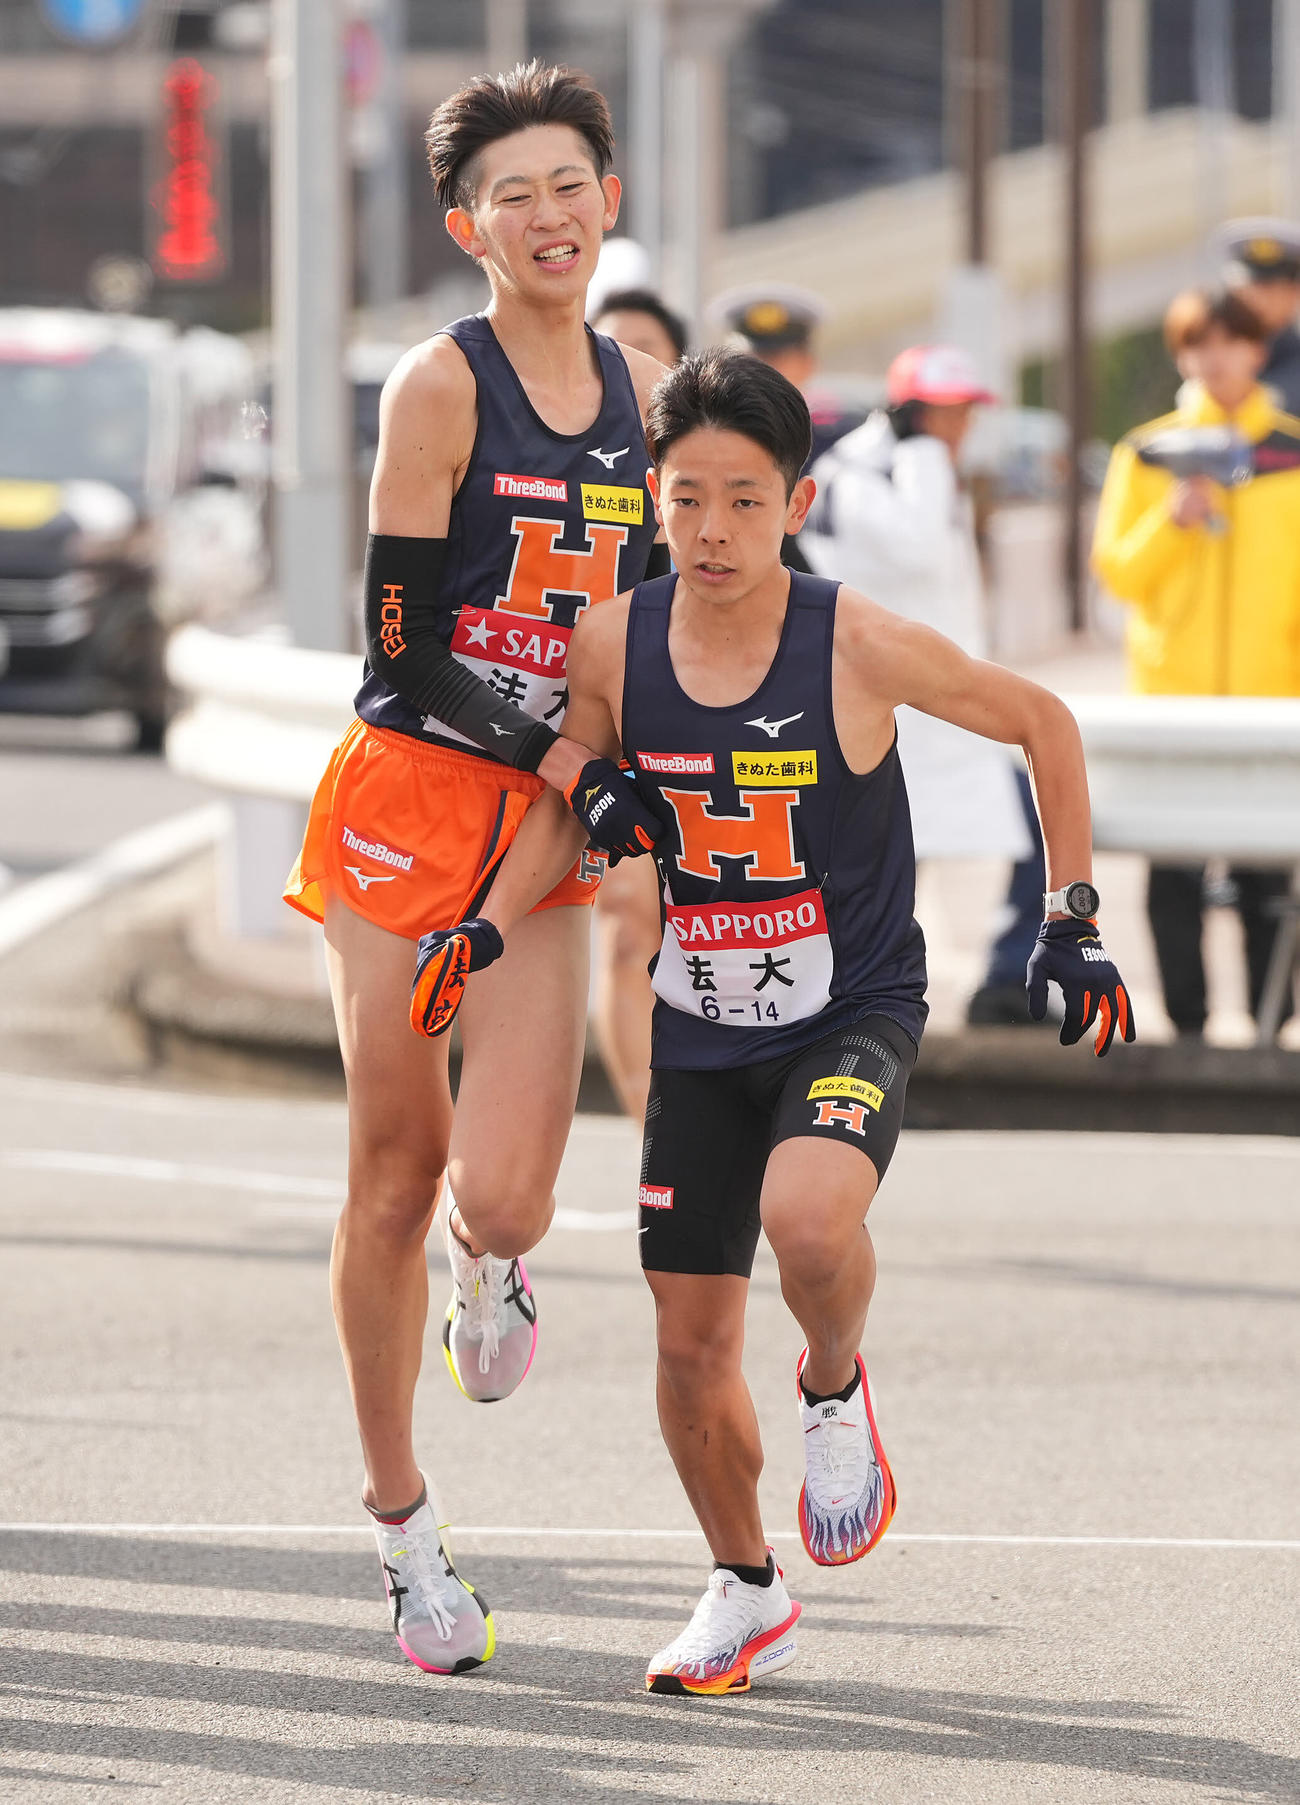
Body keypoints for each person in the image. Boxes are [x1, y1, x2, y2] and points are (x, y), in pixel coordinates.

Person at [416, 348, 1135, 1694]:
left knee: (809, 1221)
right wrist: (489, 925)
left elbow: (1041, 718)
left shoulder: (852, 636)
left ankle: (834, 1379)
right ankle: (741, 1586)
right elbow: (571, 801)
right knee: (686, 1339)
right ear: (652, 502)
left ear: (793, 504)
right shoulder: (617, 640)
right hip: (700, 1017)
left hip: (850, 1003)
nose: (714, 532)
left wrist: (1073, 912)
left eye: (745, 501)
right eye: (686, 499)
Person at [282, 61, 668, 1675]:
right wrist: (557, 747)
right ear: (468, 227)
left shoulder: (646, 394)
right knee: (393, 1163)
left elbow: (646, 627)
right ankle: (403, 1536)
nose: (546, 214)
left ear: (609, 201)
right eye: (511, 194)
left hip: (544, 829)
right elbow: (392, 645)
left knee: (504, 1191)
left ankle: (486, 1266)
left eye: (568, 183)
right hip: (409, 807)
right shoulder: (436, 391)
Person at [802, 343, 1046, 1025]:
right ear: (915, 412)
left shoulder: (900, 467)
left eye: (968, 410)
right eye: (950, 412)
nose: (962, 426)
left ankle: (1003, 977)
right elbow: (919, 550)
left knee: (1031, 831)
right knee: (890, 876)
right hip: (887, 709)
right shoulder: (857, 474)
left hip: (943, 709)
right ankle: (860, 1016)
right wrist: (926, 459)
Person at [1092, 285, 1300, 1041]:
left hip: (1271, 700)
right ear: (1182, 355)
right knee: (1172, 870)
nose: (1217, 360)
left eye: (1233, 342)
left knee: (1267, 871)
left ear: (1258, 349)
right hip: (1170, 697)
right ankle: (1186, 1025)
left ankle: (1272, 1024)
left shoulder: (1291, 450)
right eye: (1199, 345)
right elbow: (1117, 570)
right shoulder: (1147, 450)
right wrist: (1171, 519)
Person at [585, 289, 689, 1116]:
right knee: (625, 932)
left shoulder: (708, 472)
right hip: (563, 722)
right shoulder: (545, 453)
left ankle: (675, 1135)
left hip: (677, 722)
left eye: (644, 354)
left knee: (664, 938)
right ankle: (641, 1121)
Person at [1218, 218, 1300, 415]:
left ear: (1295, 292)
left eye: (1269, 288)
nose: (1257, 298)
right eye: (1249, 285)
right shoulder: (1211, 357)